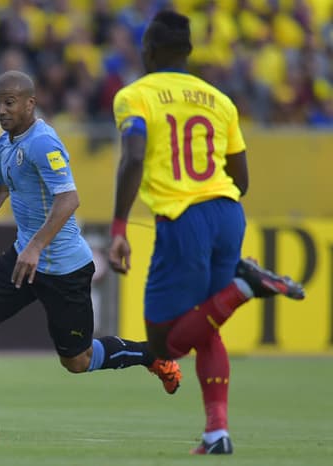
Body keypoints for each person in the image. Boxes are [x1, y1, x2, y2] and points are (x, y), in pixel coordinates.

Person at [0, 70, 182, 439]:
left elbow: (70, 199)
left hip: (64, 268)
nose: (1, 110)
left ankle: (153, 355)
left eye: (9, 102)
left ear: (30, 104)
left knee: (77, 361)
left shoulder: (43, 142)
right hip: (25, 260)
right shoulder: (5, 143)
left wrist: (36, 246)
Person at [108, 11, 305, 455]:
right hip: (228, 213)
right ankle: (217, 433)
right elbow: (242, 177)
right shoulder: (219, 100)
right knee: (207, 327)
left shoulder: (134, 95)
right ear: (189, 52)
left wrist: (119, 226)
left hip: (184, 219)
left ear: (149, 51)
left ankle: (243, 285)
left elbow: (133, 155)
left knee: (164, 345)